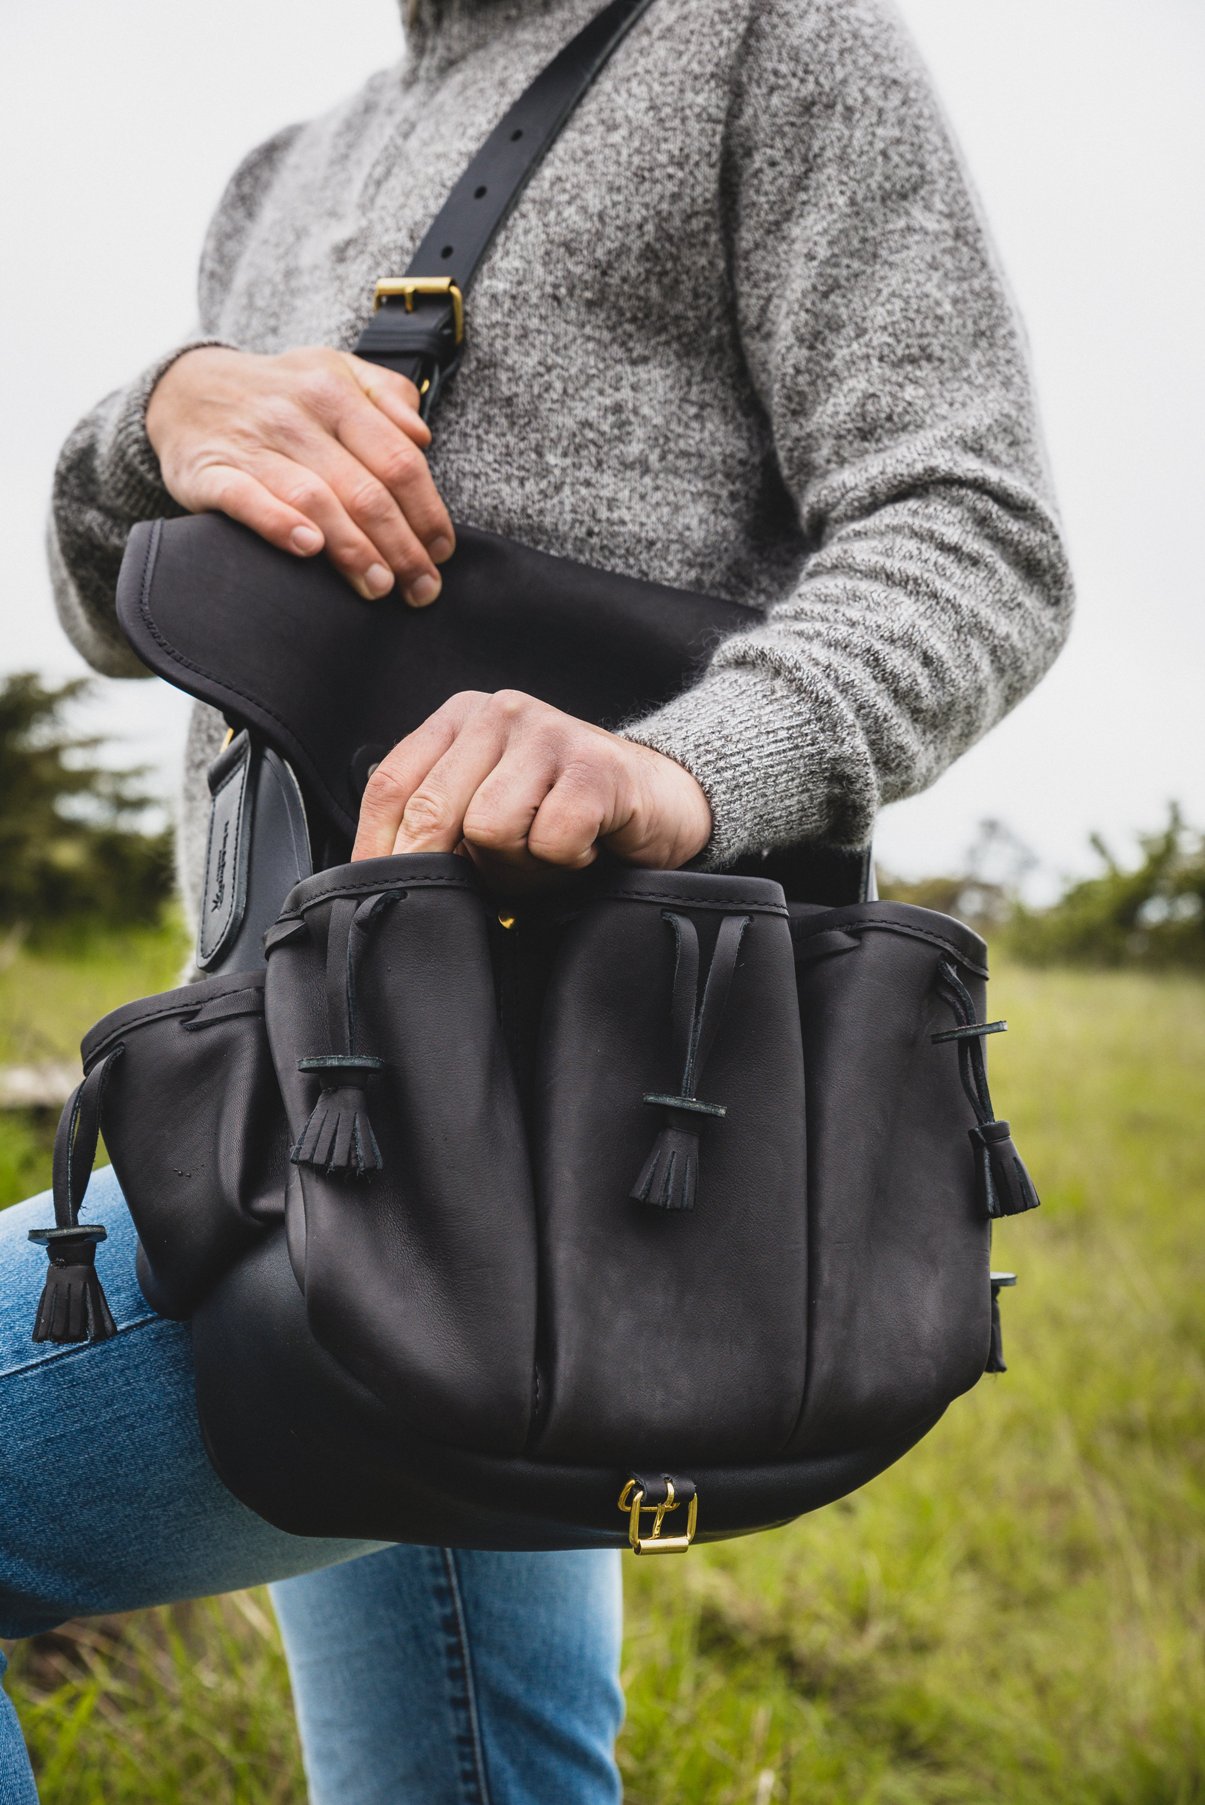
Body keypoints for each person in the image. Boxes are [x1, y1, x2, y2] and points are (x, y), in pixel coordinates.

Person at [0, 0, 1074, 1797]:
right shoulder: (279, 174)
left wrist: (683, 763)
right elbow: (119, 608)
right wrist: (155, 416)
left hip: (590, 1120)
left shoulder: (766, 38)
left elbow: (975, 531)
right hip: (288, 1091)